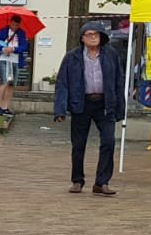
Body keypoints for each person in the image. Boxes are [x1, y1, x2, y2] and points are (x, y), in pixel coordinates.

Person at [53, 20, 125, 196]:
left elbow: (119, 81)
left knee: (109, 142)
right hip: (81, 103)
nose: (93, 38)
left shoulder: (111, 54)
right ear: (82, 38)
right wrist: (60, 109)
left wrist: (119, 108)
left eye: (96, 34)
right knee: (78, 144)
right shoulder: (72, 56)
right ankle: (77, 180)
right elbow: (62, 83)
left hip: (105, 104)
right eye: (89, 35)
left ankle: (102, 182)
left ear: (102, 37)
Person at [0, 14, 28, 116]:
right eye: (13, 24)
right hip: (4, 59)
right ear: (10, 22)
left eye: (16, 25)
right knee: (4, 82)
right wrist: (3, 49)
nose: (14, 26)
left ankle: (5, 106)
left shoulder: (21, 33)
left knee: (12, 84)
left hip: (15, 60)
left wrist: (13, 49)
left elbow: (24, 46)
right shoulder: (3, 31)